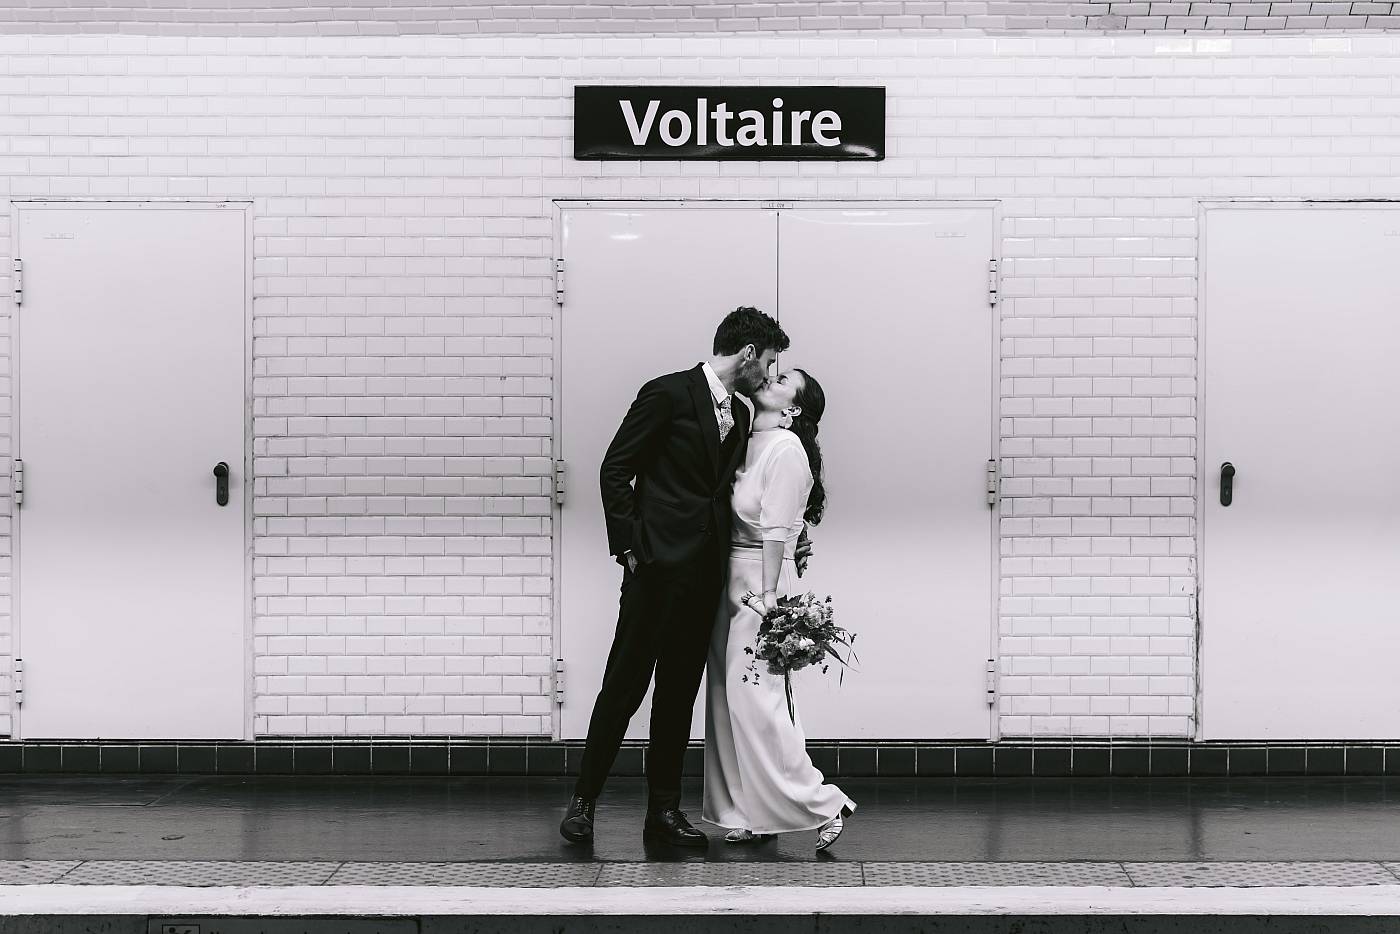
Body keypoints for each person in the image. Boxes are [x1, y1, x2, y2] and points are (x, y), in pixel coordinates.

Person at [560, 306, 790, 848]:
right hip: (655, 571)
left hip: (704, 578)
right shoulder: (666, 393)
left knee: (677, 695)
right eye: (771, 361)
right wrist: (631, 548)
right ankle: (583, 804)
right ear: (748, 353)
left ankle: (661, 814)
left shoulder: (737, 410)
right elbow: (615, 467)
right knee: (623, 688)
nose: (772, 374)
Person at [702, 367, 855, 852]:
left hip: (759, 584)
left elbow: (774, 530)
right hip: (729, 578)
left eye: (784, 378)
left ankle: (822, 803)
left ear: (793, 409)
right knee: (727, 699)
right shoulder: (746, 440)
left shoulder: (787, 449)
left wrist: (769, 596)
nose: (770, 377)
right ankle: (748, 810)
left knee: (758, 699)